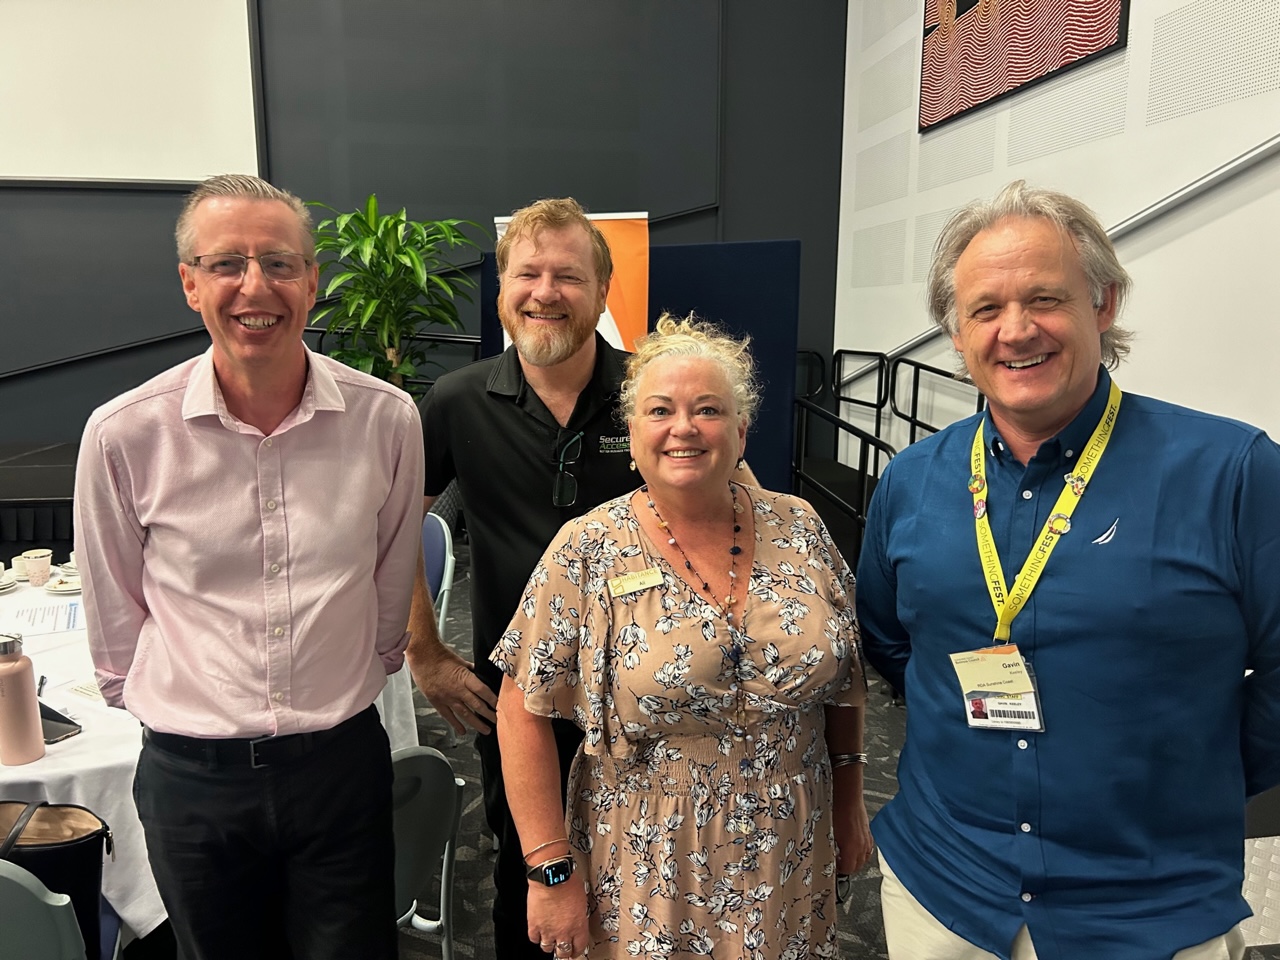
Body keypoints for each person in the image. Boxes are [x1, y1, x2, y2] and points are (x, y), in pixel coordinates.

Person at [856, 180, 1280, 960]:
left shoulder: (1234, 472)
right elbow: (889, 643)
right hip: (945, 890)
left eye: (1045, 299)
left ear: (1103, 303)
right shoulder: (910, 481)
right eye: (986, 309)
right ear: (956, 332)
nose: (1016, 330)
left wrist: (1193, 771)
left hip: (1147, 909)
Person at [74, 174, 423, 960]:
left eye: (279, 263)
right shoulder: (125, 435)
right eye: (227, 263)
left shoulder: (386, 420)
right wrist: (182, 711)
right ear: (190, 284)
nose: (255, 287)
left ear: (313, 281)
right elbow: (114, 615)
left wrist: (360, 671)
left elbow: (390, 578)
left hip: (339, 766)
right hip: (193, 780)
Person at [492, 314, 872, 960]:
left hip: (790, 844)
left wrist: (850, 797)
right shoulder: (588, 548)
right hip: (647, 857)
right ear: (633, 435)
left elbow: (845, 678)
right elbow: (519, 708)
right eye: (661, 410)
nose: (684, 427)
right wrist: (549, 867)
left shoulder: (801, 526)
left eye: (708, 409)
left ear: (741, 432)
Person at [406, 197, 638, 958]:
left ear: (602, 290)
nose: (546, 292)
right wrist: (425, 653)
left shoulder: (650, 393)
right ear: (502, 288)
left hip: (650, 695)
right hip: (520, 704)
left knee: (651, 882)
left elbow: (730, 510)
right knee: (530, 880)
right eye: (527, 274)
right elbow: (390, 527)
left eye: (568, 275)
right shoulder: (457, 401)